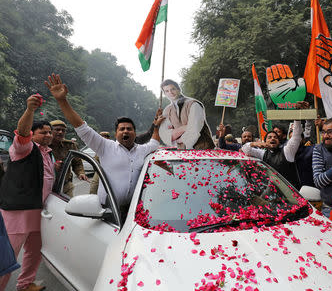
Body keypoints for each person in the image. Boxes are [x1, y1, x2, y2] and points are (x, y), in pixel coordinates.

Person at [45, 73, 162, 213]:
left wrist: (156, 125)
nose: (125, 131)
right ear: (116, 134)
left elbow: (154, 142)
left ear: (134, 133)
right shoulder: (105, 146)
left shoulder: (143, 150)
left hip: (134, 212)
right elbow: (82, 128)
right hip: (108, 212)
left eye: (129, 129)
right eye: (122, 129)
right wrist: (62, 101)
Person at [0, 95, 54, 291]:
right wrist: (30, 110)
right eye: (42, 132)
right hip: (18, 212)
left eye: (50, 132)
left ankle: (25, 284)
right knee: (7, 256)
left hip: (39, 212)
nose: (48, 135)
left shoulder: (48, 153)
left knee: (34, 250)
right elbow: (22, 132)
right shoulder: (25, 148)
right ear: (33, 134)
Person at [242, 101, 309, 189]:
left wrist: (297, 114)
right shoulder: (263, 154)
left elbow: (296, 135)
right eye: (269, 137)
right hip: (271, 193)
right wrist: (255, 143)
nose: (272, 139)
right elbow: (245, 148)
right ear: (265, 141)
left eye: (275, 137)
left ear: (279, 141)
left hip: (291, 194)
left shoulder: (287, 151)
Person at [158, 79, 214, 149]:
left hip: (203, 148)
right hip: (181, 150)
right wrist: (183, 128)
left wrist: (179, 139)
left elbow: (195, 129)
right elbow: (164, 133)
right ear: (165, 94)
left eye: (173, 89)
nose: (170, 92)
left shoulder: (193, 104)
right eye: (167, 91)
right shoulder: (167, 110)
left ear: (179, 89)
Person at [49, 119, 88, 197]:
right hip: (46, 186)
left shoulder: (70, 145)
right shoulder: (41, 145)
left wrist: (81, 173)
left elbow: (77, 163)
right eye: (57, 130)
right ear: (50, 131)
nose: (60, 132)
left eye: (63, 130)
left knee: (67, 207)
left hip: (65, 185)